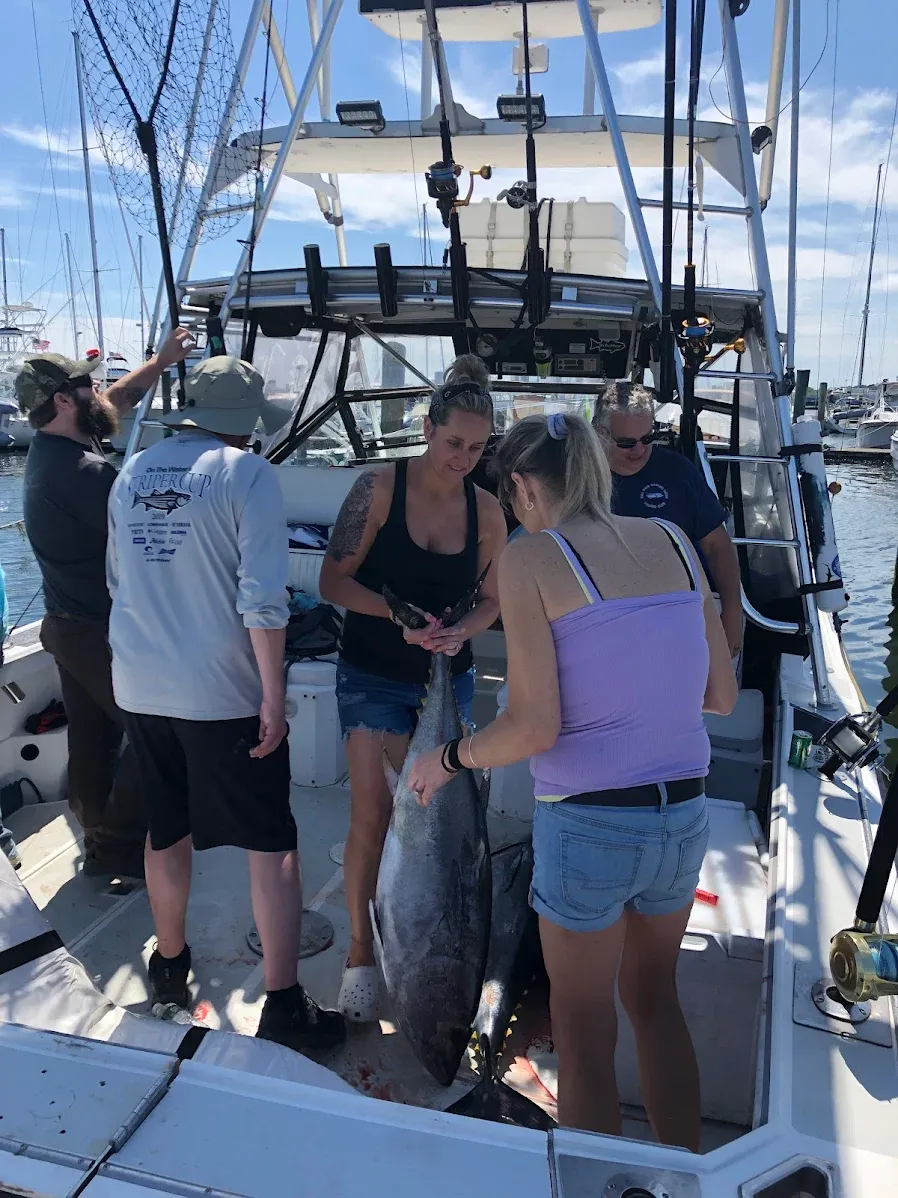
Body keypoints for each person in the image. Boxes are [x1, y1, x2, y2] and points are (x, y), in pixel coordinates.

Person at [407, 412, 737, 1148]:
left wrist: (447, 759)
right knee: (655, 1004)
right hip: (682, 818)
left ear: (521, 486)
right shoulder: (679, 542)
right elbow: (721, 697)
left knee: (586, 1032)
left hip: (590, 827)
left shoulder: (530, 558)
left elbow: (534, 729)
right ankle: (682, 1175)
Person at [105, 355, 344, 1050]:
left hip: (142, 685)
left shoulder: (130, 474)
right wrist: (273, 698)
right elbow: (263, 602)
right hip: (222, 692)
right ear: (245, 425)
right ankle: (282, 1000)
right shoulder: (247, 474)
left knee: (166, 828)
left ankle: (170, 963)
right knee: (272, 844)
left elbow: (120, 582)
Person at [319, 354, 507, 1022]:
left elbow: (492, 600)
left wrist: (464, 634)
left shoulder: (487, 510)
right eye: (454, 442)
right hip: (371, 673)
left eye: (478, 448)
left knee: (440, 826)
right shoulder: (376, 489)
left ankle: (428, 948)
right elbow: (332, 583)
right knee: (374, 812)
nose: (463, 457)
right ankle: (361, 955)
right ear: (426, 429)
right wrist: (394, 618)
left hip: (446, 678)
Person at [16, 331, 194, 879]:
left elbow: (115, 401)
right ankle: (117, 850)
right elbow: (154, 537)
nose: (99, 389)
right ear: (65, 402)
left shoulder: (53, 446)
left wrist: (160, 363)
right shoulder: (85, 474)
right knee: (158, 729)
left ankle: (93, 823)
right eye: (86, 385)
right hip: (96, 630)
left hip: (66, 625)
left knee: (94, 735)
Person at [592, 382, 744, 661]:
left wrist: (733, 612)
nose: (639, 450)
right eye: (626, 442)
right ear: (599, 434)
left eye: (647, 439)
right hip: (598, 618)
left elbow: (717, 546)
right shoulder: (577, 476)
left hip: (674, 615)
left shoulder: (677, 472)